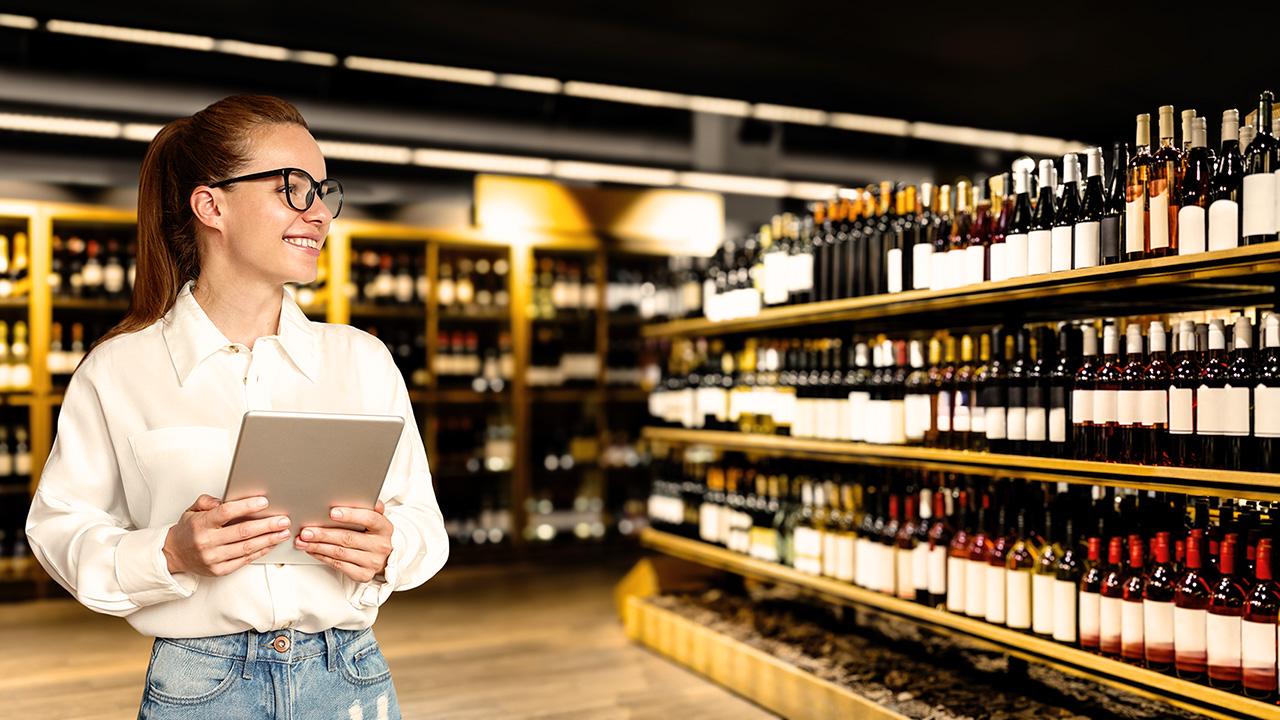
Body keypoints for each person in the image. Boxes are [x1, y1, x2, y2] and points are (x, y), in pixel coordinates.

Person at [25, 94, 448, 719]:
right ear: (210, 204)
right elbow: (58, 531)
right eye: (291, 189)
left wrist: (390, 549)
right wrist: (170, 553)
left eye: (323, 192)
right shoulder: (118, 371)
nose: (318, 215)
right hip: (201, 688)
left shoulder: (362, 360)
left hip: (350, 676)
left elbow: (425, 527)